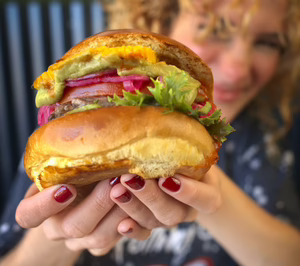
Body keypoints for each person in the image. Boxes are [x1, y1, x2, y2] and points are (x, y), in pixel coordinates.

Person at [1, 0, 300, 265]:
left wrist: (211, 196)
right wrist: (55, 231)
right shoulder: (58, 141)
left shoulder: (267, 131)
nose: (239, 69)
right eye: (215, 29)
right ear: (160, 21)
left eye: (268, 42)